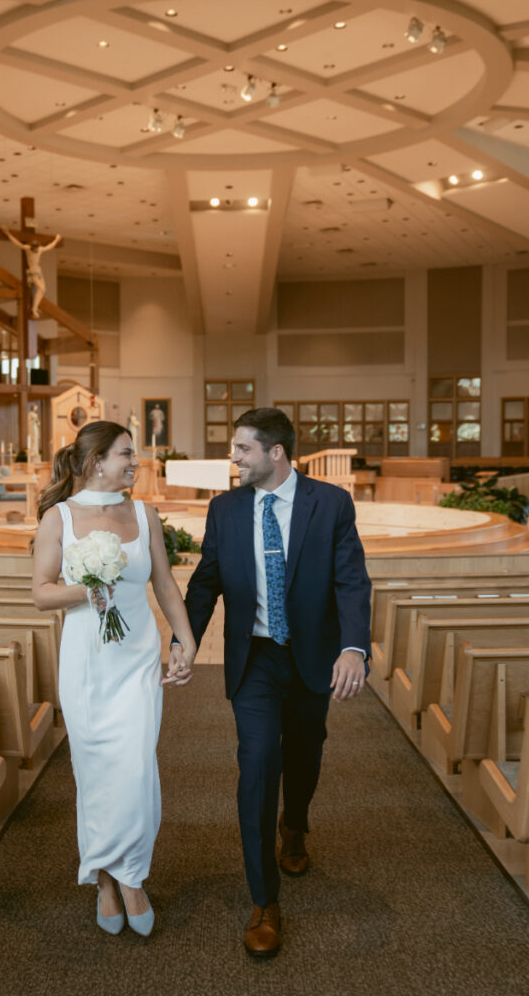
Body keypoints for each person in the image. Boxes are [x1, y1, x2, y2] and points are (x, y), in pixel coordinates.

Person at [173, 407, 371, 958]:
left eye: (242, 449)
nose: (233, 458)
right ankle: (264, 898)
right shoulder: (226, 509)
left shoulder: (328, 503)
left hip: (311, 657)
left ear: (275, 452)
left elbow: (352, 580)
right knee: (258, 764)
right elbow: (205, 581)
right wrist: (181, 642)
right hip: (254, 658)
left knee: (305, 756)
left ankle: (297, 825)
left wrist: (354, 647)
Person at [32, 421, 196, 938]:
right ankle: (104, 878)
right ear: (97, 459)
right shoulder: (59, 518)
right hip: (87, 663)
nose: (135, 462)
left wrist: (183, 640)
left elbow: (165, 584)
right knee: (96, 770)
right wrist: (89, 589)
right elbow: (41, 592)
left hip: (137, 658)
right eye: (127, 454)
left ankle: (130, 876)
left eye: (135, 455)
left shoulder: (144, 514)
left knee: (136, 767)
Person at [1, 227, 61, 318]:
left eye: (36, 248)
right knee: (40, 288)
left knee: (43, 289)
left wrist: (56, 239)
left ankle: (35, 308)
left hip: (39, 271)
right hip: (32, 272)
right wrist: (8, 234)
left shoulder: (40, 249)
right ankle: (34, 308)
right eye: (34, 248)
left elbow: (49, 247)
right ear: (32, 247)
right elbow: (17, 243)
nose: (36, 250)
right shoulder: (27, 248)